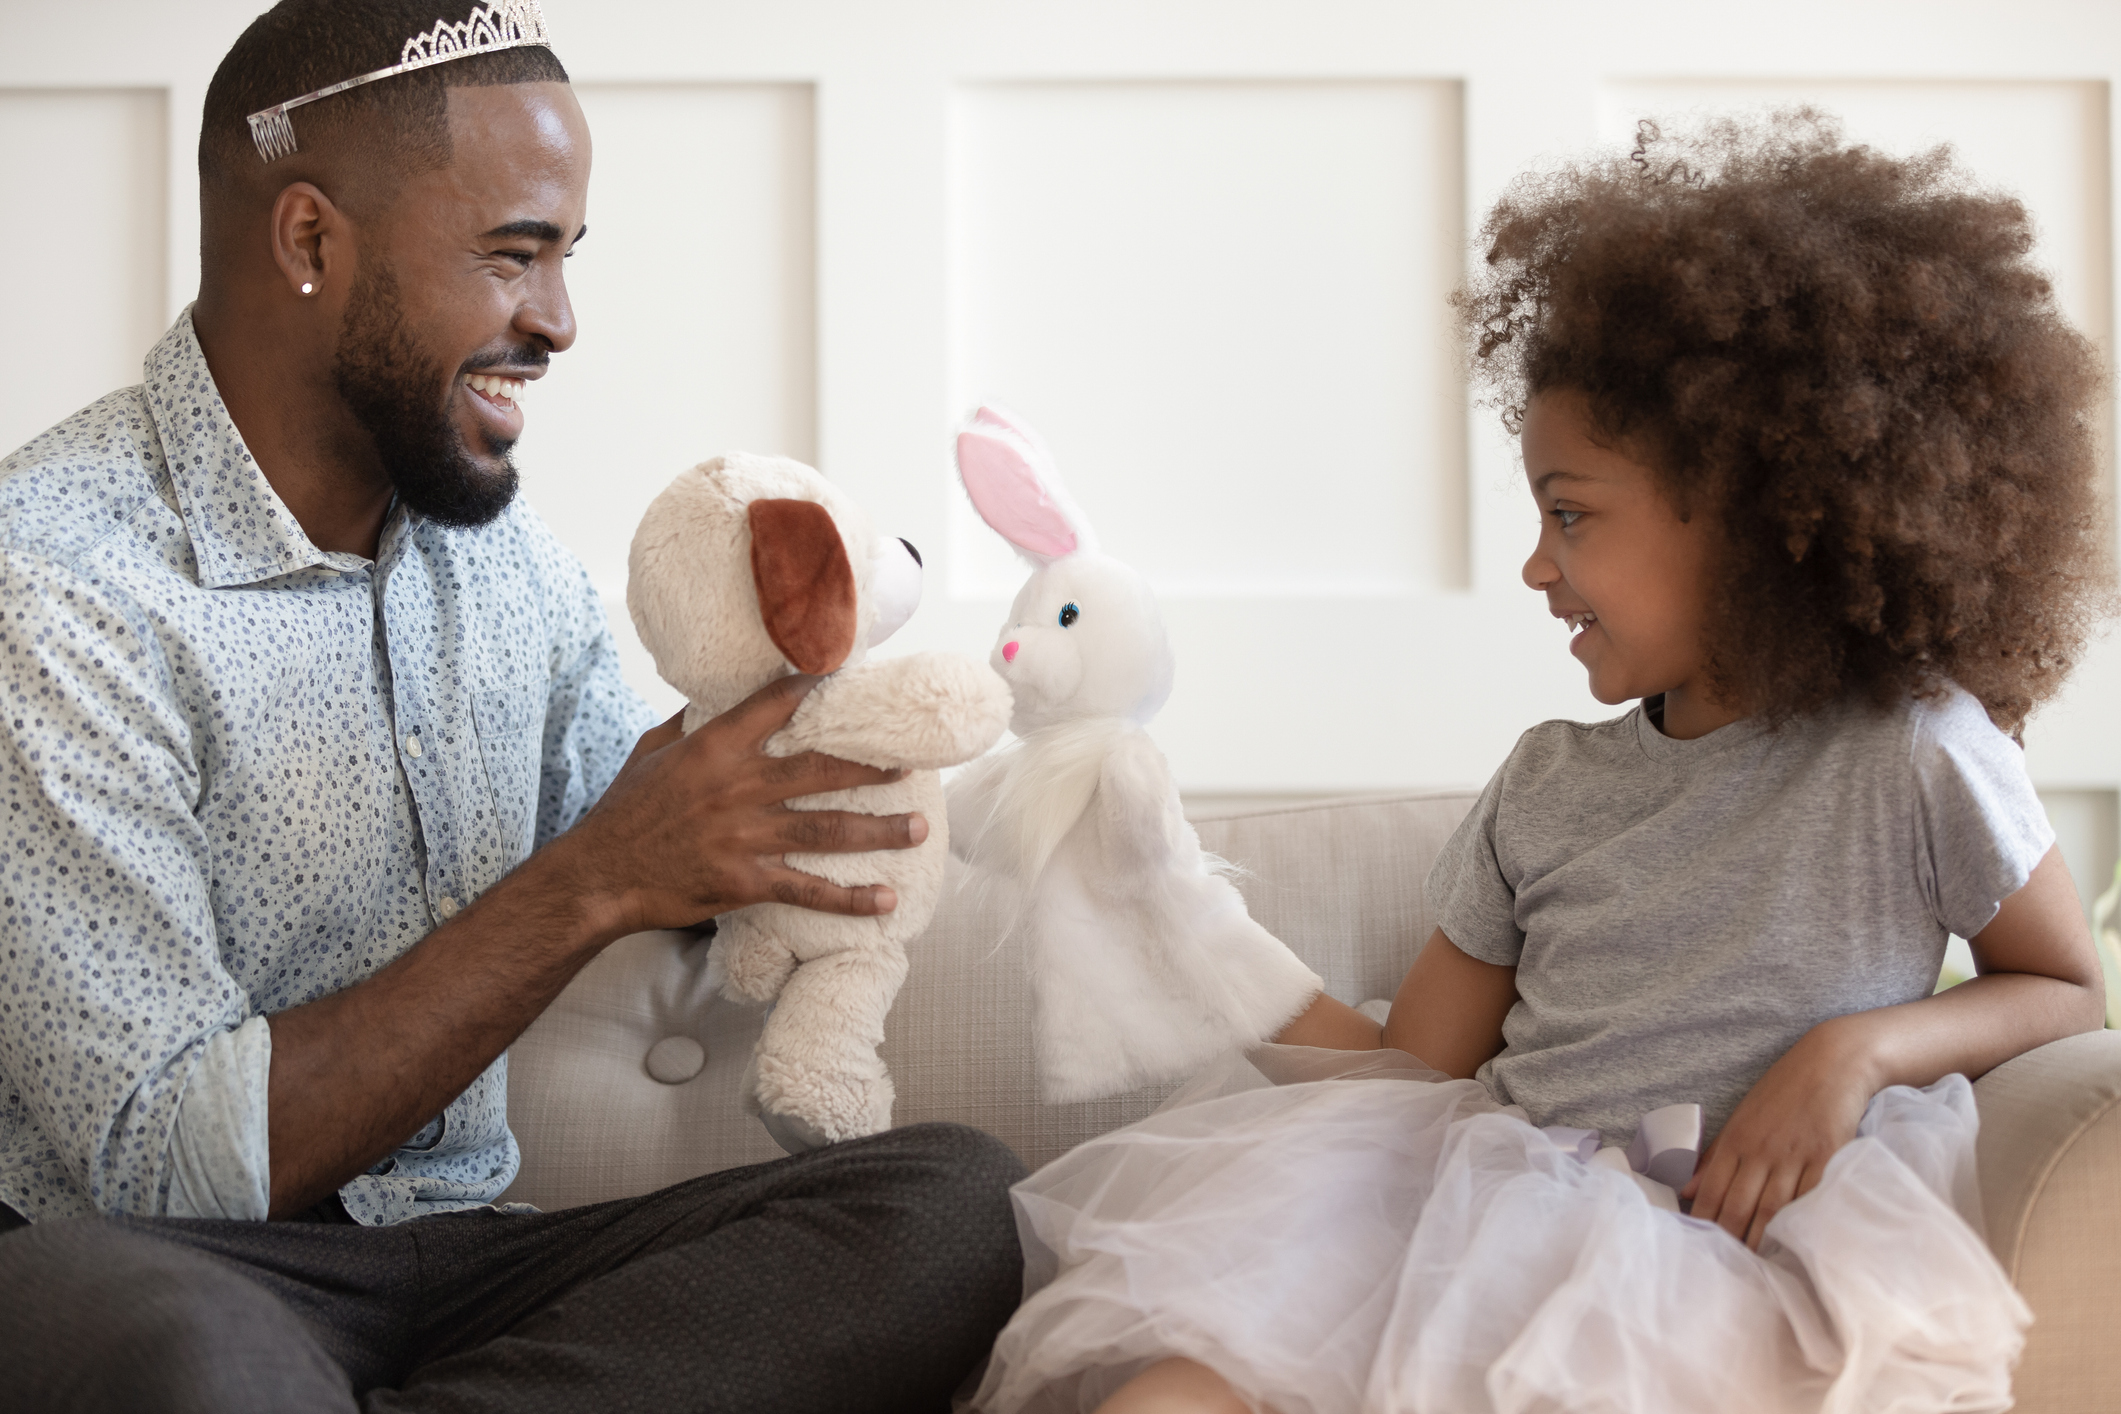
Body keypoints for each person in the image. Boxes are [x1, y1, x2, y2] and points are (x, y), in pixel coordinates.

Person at [969, 113, 2111, 1414]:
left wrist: (1851, 1055)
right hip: (1480, 1222)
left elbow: (2063, 989)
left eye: (1568, 512)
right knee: (1165, 1395)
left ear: (1755, 512)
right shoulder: (1546, 783)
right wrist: (1177, 910)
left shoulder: (1914, 754)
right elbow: (1407, 1073)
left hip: (1733, 1260)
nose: (1533, 563)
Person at [0, 2, 1024, 1409]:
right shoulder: (54, 582)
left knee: (957, 1205)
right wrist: (601, 874)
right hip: (193, 1268)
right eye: (513, 254)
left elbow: (675, 849)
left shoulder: (504, 568)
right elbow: (166, 1164)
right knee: (108, 1303)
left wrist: (814, 740)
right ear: (310, 241)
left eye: (564, 258)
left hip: (477, 1265)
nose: (556, 321)